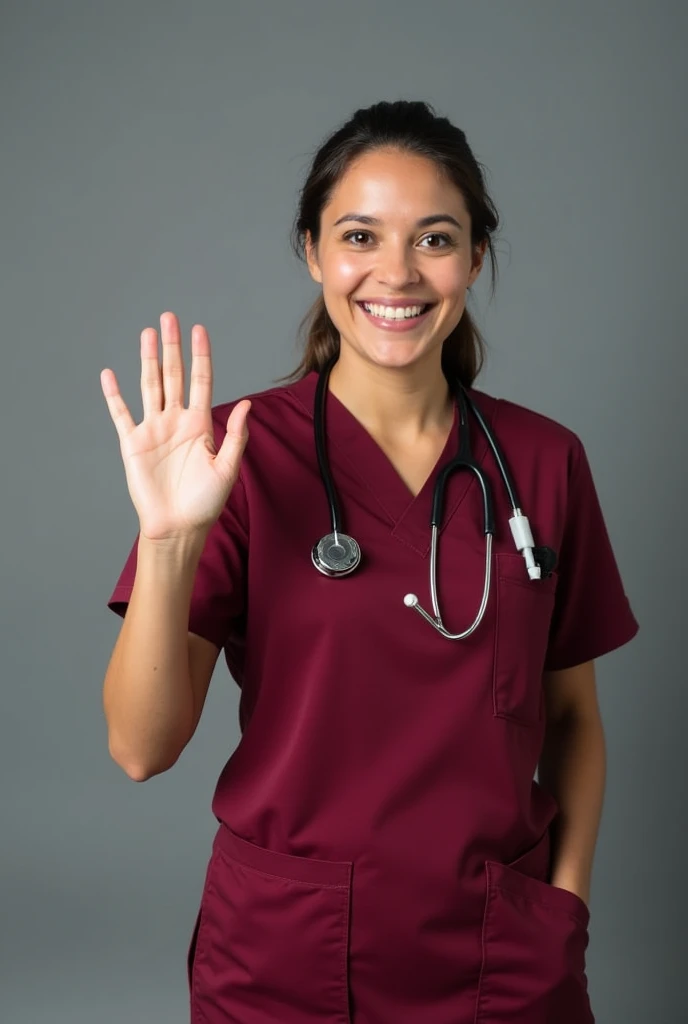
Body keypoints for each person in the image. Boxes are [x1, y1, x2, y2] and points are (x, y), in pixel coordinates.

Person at [101, 100, 639, 1024]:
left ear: (475, 258)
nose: (396, 273)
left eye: (434, 238)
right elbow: (141, 749)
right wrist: (170, 540)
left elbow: (573, 722)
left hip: (501, 955)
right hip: (283, 957)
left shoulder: (545, 461)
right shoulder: (231, 456)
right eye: (360, 235)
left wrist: (568, 903)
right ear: (313, 252)